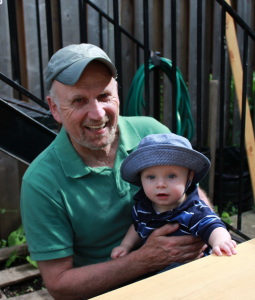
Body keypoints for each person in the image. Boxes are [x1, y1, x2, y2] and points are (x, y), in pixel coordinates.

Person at [21, 43, 211, 300]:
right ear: (54, 108)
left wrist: (206, 234)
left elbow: (193, 193)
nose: (97, 113)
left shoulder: (151, 132)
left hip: (182, 277)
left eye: (103, 96)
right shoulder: (40, 182)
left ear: (117, 95)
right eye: (79, 100)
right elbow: (59, 285)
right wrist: (143, 261)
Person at [111, 133, 237, 268]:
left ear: (189, 177)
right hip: (152, 272)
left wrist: (220, 242)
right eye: (151, 177)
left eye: (171, 176)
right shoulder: (142, 207)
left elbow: (212, 225)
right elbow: (137, 227)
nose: (160, 184)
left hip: (188, 272)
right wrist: (126, 245)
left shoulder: (193, 210)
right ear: (140, 179)